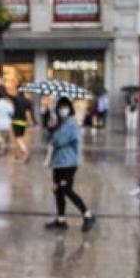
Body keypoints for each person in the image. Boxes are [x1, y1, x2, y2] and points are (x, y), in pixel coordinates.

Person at [44, 97, 96, 232]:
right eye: (60, 108)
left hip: (68, 163)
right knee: (58, 190)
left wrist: (53, 131)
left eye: (65, 107)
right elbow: (50, 139)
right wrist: (51, 128)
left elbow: (59, 141)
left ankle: (88, 214)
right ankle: (61, 219)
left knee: (66, 189)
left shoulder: (71, 123)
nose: (63, 110)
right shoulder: (61, 123)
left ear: (70, 109)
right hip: (58, 163)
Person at [11, 92, 32, 162]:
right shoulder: (27, 101)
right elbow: (30, 111)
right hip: (23, 122)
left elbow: (9, 96)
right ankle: (16, 155)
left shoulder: (16, 99)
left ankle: (25, 151)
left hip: (16, 121)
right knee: (19, 138)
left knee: (18, 139)